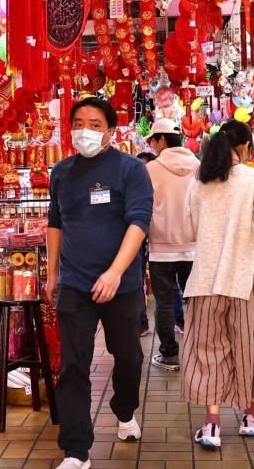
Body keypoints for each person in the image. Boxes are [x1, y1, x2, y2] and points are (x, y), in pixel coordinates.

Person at [46, 98, 154, 469]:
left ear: (110, 130)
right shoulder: (61, 172)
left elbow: (139, 222)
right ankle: (76, 450)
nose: (85, 130)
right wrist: (53, 273)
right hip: (75, 284)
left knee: (128, 357)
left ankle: (124, 411)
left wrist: (115, 272)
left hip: (120, 285)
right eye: (78, 122)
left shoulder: (130, 170)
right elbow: (55, 223)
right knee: (73, 365)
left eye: (94, 123)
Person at [181, 120, 254, 448]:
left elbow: (189, 231)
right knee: (249, 345)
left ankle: (212, 425)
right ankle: (250, 417)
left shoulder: (200, 181)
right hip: (248, 276)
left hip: (206, 279)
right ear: (246, 148)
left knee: (209, 350)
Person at [145, 118, 200, 371]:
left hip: (161, 250)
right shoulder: (199, 167)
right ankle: (200, 351)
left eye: (153, 141)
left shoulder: (151, 170)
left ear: (162, 140)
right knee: (197, 302)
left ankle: (169, 355)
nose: (153, 147)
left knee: (164, 304)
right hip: (194, 248)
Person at [135, 151, 158, 337]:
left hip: (161, 240)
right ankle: (141, 323)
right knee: (138, 278)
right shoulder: (134, 182)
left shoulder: (158, 179)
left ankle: (179, 320)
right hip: (139, 237)